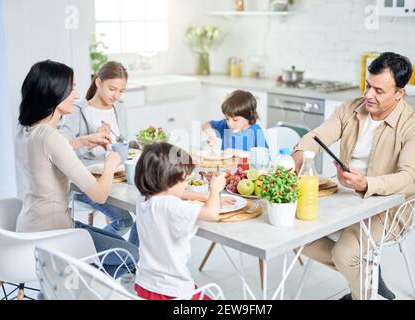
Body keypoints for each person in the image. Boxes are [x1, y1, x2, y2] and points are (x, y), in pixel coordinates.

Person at [292, 52, 415, 300]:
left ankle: (362, 283)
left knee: (345, 254)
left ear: (400, 93)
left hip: (391, 208)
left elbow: (410, 178)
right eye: (368, 85)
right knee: (292, 234)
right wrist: (299, 156)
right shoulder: (350, 109)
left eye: (379, 91)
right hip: (345, 198)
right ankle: (369, 278)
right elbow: (316, 137)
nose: (368, 95)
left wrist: (366, 183)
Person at [15, 60, 139, 278]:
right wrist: (111, 163)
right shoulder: (52, 138)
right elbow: (100, 196)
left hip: (31, 227)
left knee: (121, 244)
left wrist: (84, 141)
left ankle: (67, 283)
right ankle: (75, 283)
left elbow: (50, 150)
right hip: (55, 235)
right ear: (54, 92)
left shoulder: (26, 130)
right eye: (71, 88)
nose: (75, 94)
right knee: (133, 256)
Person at [133, 142, 227, 300]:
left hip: (145, 284)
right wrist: (215, 191)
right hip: (171, 291)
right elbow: (211, 214)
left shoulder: (144, 197)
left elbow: (179, 193)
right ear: (167, 182)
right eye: (184, 181)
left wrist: (204, 197)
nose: (185, 186)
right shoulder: (171, 207)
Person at [59, 61, 138, 246]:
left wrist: (128, 142)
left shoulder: (120, 108)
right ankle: (92, 252)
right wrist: (92, 138)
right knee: (125, 220)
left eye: (121, 91)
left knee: (145, 211)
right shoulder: (77, 110)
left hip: (118, 179)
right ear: (98, 82)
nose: (116, 95)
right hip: (88, 183)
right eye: (112, 89)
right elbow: (64, 149)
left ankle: (129, 265)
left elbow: (123, 142)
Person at [202, 90, 269, 155]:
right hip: (226, 166)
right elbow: (206, 124)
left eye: (235, 120)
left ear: (249, 116)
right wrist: (211, 133)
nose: (230, 123)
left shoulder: (256, 131)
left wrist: (239, 153)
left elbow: (265, 156)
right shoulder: (225, 125)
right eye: (227, 119)